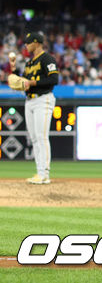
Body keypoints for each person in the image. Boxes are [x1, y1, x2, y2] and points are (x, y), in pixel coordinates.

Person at [9, 31, 59, 185]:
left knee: (41, 136)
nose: (26, 45)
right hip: (29, 101)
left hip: (43, 99)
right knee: (35, 138)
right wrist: (14, 70)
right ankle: (39, 173)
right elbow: (23, 82)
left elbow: (54, 79)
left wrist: (32, 83)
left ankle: (44, 174)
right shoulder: (29, 63)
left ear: (36, 42)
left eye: (28, 42)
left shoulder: (47, 59)